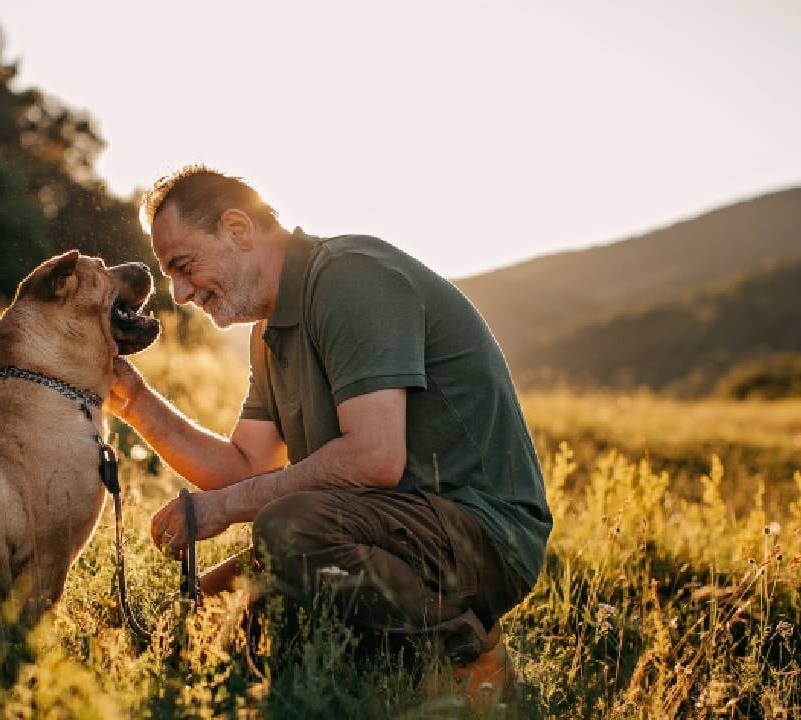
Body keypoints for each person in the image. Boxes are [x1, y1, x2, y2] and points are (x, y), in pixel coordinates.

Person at [107, 166, 551, 698]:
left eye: (184, 265)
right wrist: (132, 399)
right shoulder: (268, 334)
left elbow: (373, 458)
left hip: (482, 534)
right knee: (194, 624)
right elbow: (244, 467)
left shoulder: (349, 277)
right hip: (382, 527)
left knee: (288, 529)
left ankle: (469, 660)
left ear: (238, 228)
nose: (178, 293)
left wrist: (222, 509)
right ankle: (380, 652)